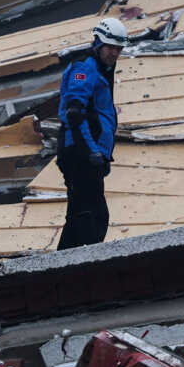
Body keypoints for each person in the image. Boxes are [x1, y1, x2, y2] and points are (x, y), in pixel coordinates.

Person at [56, 16, 125, 249]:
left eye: (118, 48)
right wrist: (92, 153)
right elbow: (75, 113)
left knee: (79, 213)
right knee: (93, 216)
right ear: (98, 44)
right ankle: (81, 265)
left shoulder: (101, 70)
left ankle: (62, 266)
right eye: (110, 47)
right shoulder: (85, 68)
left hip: (86, 153)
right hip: (79, 152)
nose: (114, 53)